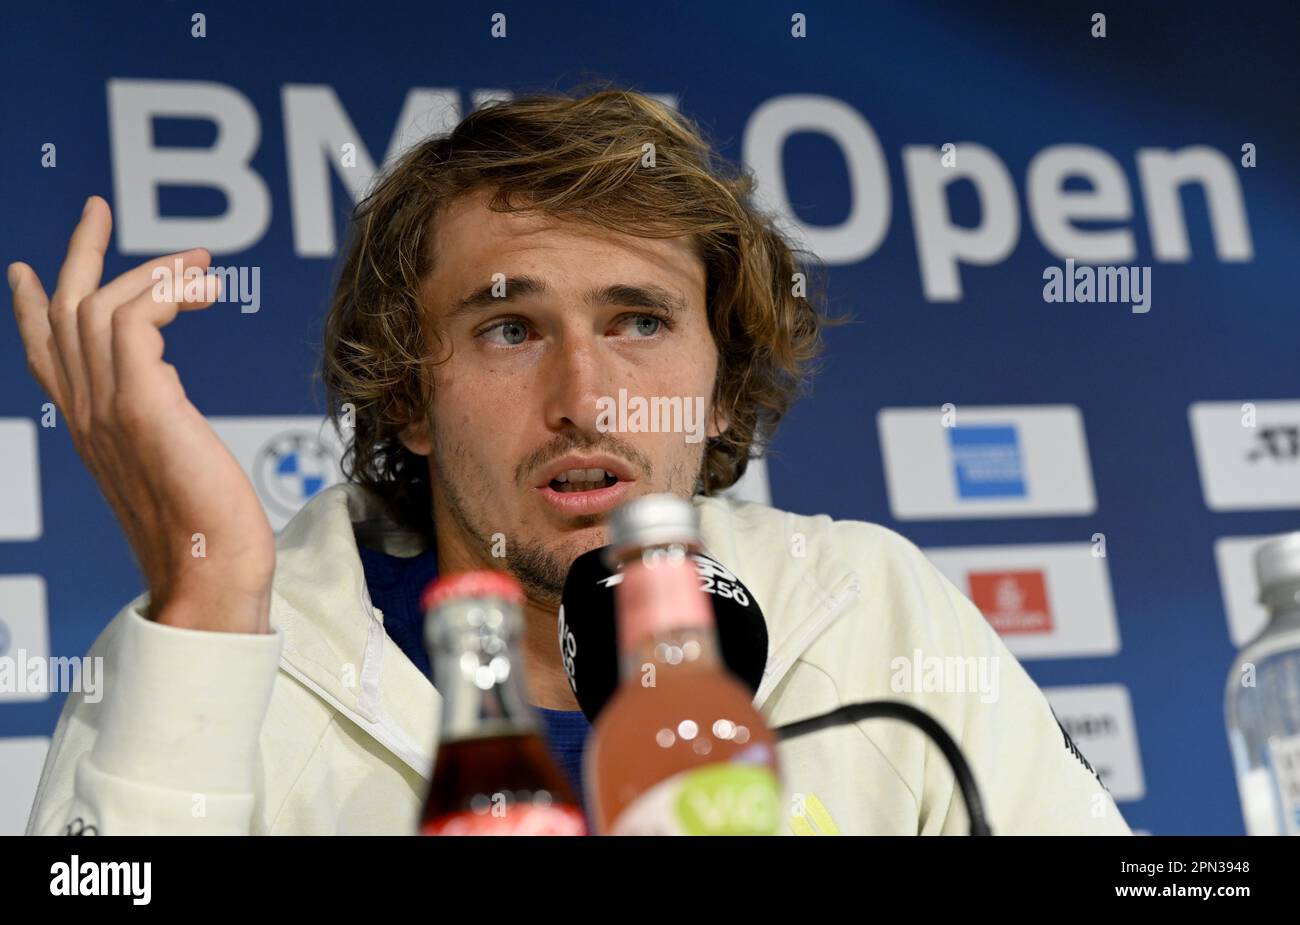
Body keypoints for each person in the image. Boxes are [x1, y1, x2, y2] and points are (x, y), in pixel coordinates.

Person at [11, 88, 1130, 835]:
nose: (584, 401)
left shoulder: (874, 612)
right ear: (406, 393)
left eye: (639, 323)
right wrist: (206, 603)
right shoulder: (211, 652)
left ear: (724, 385)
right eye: (509, 329)